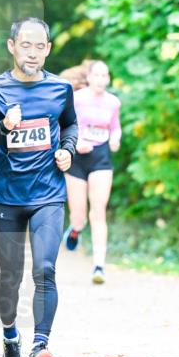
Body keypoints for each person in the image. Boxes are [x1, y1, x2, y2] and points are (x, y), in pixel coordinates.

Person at [0, 17, 77, 357]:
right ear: (12, 46)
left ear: (48, 49)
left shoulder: (61, 88)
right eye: (25, 45)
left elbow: (70, 124)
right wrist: (3, 128)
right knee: (10, 277)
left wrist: (69, 150)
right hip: (7, 198)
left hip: (49, 195)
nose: (32, 52)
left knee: (45, 270)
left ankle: (40, 346)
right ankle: (10, 337)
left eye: (39, 46)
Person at [63, 60, 122, 284]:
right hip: (77, 158)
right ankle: (75, 229)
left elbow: (115, 126)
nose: (101, 80)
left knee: (98, 211)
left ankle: (99, 266)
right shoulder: (77, 99)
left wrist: (116, 138)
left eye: (104, 76)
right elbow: (65, 124)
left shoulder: (113, 102)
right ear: (89, 77)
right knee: (79, 215)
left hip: (100, 158)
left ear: (108, 78)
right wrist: (76, 143)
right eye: (96, 75)